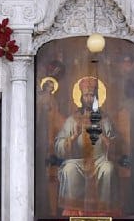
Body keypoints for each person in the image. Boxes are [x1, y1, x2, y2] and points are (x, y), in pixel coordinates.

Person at [49, 76, 120, 213]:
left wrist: (102, 135)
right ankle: (73, 212)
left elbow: (115, 146)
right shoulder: (72, 120)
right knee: (69, 169)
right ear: (81, 97)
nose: (89, 98)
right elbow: (59, 146)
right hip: (78, 161)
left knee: (109, 169)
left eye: (92, 95)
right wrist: (73, 137)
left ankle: (104, 211)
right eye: (86, 95)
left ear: (96, 98)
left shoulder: (104, 120)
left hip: (100, 161)